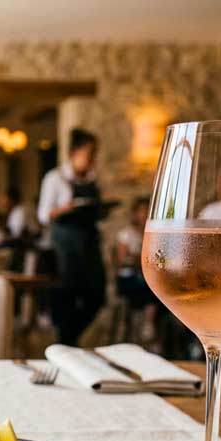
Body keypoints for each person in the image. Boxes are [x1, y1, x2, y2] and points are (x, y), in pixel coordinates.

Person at [38, 128, 104, 345]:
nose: (92, 159)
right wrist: (65, 208)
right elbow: (43, 215)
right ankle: (66, 342)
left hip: (89, 242)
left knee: (97, 294)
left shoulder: (91, 179)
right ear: (75, 152)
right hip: (65, 244)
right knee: (66, 294)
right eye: (89, 153)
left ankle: (69, 340)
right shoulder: (55, 178)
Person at [114, 196, 160, 347]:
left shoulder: (154, 234)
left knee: (158, 287)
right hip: (130, 278)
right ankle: (148, 324)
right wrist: (140, 259)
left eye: (147, 211)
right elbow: (122, 259)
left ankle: (153, 329)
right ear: (135, 214)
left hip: (148, 277)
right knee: (147, 286)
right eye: (141, 211)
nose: (144, 214)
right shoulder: (126, 234)